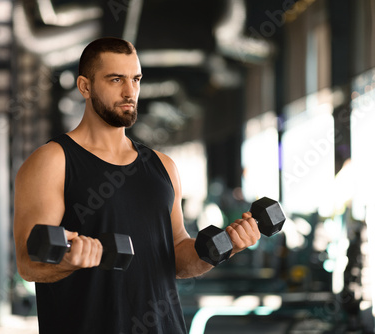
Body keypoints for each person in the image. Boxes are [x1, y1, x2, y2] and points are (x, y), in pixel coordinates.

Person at [13, 37, 261, 334]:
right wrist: (70, 261)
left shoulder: (163, 167)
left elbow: (178, 258)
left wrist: (227, 247)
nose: (130, 91)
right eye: (116, 79)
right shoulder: (53, 161)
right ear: (85, 86)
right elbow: (29, 264)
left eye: (136, 79)